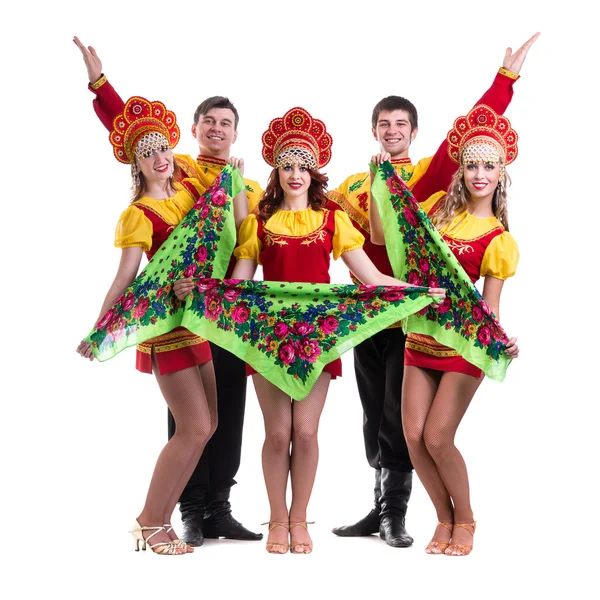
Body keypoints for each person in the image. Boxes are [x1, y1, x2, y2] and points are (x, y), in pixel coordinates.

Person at [175, 107, 444, 554]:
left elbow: (371, 280)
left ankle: (300, 519)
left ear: (313, 172)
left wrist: (417, 290)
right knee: (277, 434)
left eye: (303, 165)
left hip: (318, 338)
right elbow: (239, 284)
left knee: (305, 433)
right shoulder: (256, 224)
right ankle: (277, 520)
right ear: (276, 172)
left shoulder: (333, 220)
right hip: (266, 337)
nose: (295, 174)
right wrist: (200, 288)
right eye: (287, 165)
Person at [329, 32, 539, 548]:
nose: (393, 131)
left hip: (422, 313)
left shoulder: (428, 182)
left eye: (402, 124)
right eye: (385, 124)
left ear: (413, 131)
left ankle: (398, 514)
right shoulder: (357, 182)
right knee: (374, 407)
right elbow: (317, 214)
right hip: (367, 308)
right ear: (374, 131)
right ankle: (379, 505)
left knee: (415, 427)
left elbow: (468, 143)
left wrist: (503, 81)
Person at [73, 36, 263, 545]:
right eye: (210, 122)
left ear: (236, 133)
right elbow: (135, 137)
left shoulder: (249, 186)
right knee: (191, 420)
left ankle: (218, 507)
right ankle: (186, 512)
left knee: (222, 415)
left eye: (227, 123)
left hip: (227, 306)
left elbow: (254, 241)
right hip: (177, 311)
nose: (218, 129)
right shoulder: (181, 173)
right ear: (197, 130)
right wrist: (101, 85)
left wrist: (234, 290)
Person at [398, 105, 520, 556]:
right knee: (412, 437)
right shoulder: (435, 214)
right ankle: (443, 519)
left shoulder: (497, 238)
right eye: (471, 165)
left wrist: (500, 339)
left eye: (489, 166)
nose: (479, 174)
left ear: (501, 174)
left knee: (436, 437)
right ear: (461, 171)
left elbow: (490, 305)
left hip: (464, 343)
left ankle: (465, 519)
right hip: (420, 337)